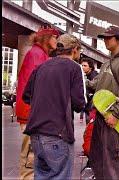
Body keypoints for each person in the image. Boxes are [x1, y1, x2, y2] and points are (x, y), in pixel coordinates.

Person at [22, 34, 86, 179]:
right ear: (74, 49)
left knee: (41, 176)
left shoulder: (42, 66)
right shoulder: (74, 68)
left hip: (36, 134)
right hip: (58, 134)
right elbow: (79, 103)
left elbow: (26, 96)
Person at [87, 26, 119, 179]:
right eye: (104, 37)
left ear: (118, 39)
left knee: (112, 162)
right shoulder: (107, 63)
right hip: (101, 117)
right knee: (98, 159)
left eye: (108, 38)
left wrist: (116, 113)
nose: (105, 40)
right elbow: (96, 84)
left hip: (115, 120)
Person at [15, 24, 59, 180]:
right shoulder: (37, 54)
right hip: (31, 114)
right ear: (46, 38)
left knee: (35, 156)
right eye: (54, 36)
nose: (57, 39)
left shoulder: (40, 54)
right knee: (30, 157)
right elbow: (39, 87)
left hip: (33, 113)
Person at [80, 58, 98, 124]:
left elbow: (94, 88)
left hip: (92, 107)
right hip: (88, 106)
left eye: (85, 66)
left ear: (90, 67)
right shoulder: (87, 75)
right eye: (82, 65)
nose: (82, 67)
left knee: (91, 127)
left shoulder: (94, 76)